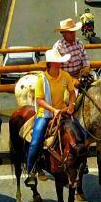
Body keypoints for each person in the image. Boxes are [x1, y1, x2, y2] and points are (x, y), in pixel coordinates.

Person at [25, 48, 79, 187]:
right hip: (45, 114)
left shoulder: (65, 76)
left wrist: (72, 105)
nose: (59, 64)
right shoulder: (41, 79)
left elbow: (72, 92)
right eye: (57, 62)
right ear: (50, 63)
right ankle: (31, 171)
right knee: (36, 141)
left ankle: (81, 163)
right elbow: (39, 100)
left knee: (81, 133)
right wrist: (53, 110)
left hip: (62, 111)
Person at [53, 17, 92, 83]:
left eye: (74, 32)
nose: (73, 34)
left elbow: (85, 57)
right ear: (63, 34)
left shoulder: (79, 42)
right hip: (65, 78)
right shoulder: (58, 47)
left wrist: (86, 66)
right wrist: (71, 80)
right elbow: (56, 69)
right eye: (70, 32)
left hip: (80, 75)